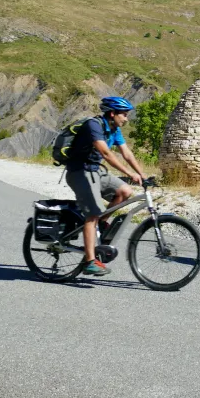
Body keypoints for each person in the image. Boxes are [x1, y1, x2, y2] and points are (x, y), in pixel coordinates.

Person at [64, 96, 144, 276]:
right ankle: (90, 262)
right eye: (124, 114)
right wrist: (130, 174)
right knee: (92, 213)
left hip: (95, 171)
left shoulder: (115, 129)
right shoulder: (93, 125)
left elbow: (127, 153)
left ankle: (100, 223)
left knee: (125, 191)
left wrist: (142, 174)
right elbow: (106, 153)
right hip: (79, 172)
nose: (126, 119)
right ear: (112, 113)